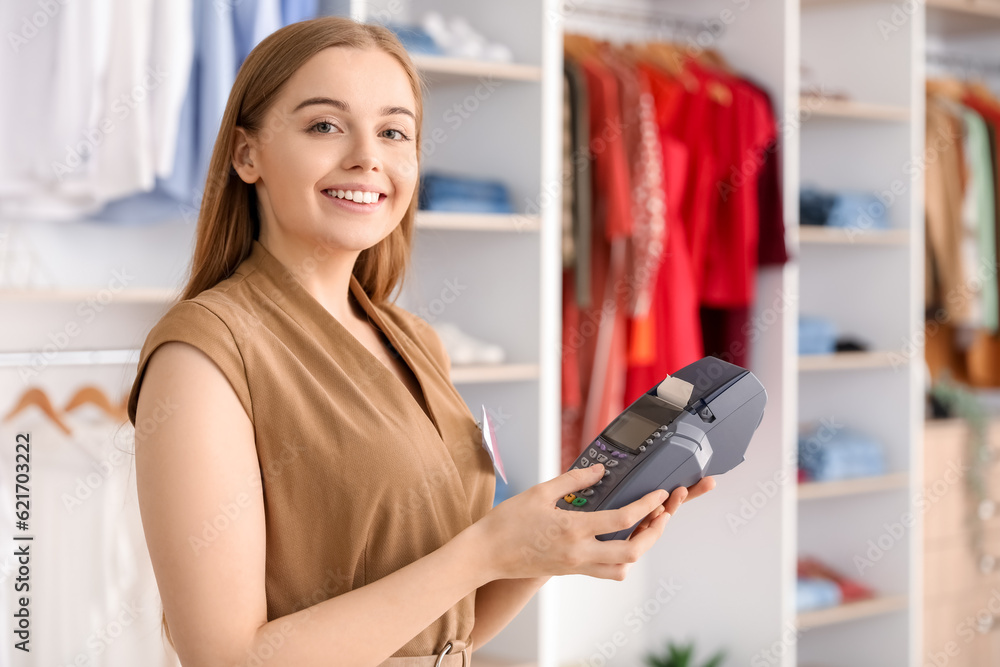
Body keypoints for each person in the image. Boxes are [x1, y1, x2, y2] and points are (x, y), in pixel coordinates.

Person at [127, 16, 716, 667]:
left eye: (393, 131)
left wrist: (552, 541)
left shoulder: (414, 340)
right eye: (325, 125)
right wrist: (491, 545)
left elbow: (446, 630)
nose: (366, 156)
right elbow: (227, 658)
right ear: (248, 154)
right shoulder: (202, 356)